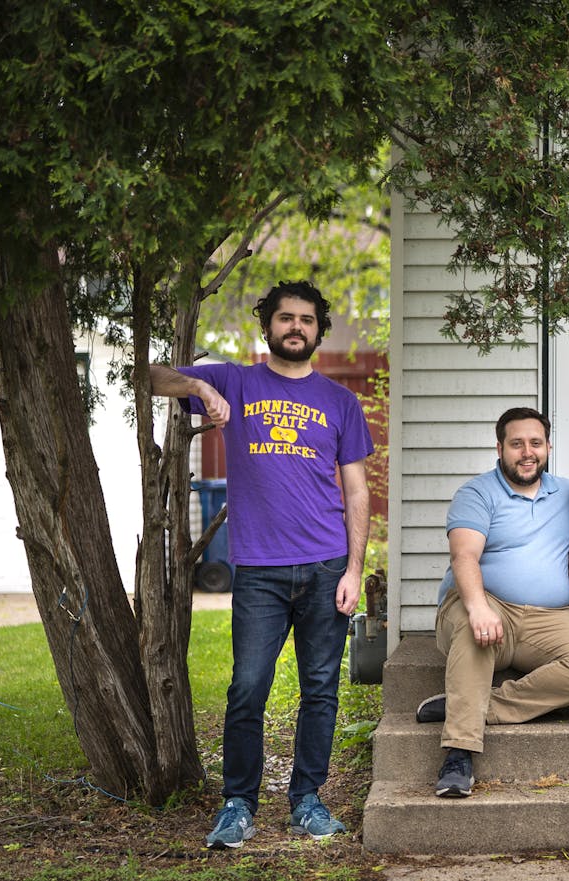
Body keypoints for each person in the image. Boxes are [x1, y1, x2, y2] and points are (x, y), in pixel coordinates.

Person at [149, 281, 374, 849]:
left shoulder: (340, 401)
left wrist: (353, 570)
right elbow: (149, 377)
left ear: (319, 329)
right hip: (259, 571)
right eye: (284, 318)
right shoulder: (237, 379)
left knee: (319, 689)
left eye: (306, 319)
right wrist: (200, 382)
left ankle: (307, 800)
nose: (295, 327)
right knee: (248, 687)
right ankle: (237, 803)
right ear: (267, 325)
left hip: (326, 567)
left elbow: (356, 492)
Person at [415, 407, 569, 798]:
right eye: (517, 444)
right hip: (484, 604)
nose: (527, 452)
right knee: (475, 637)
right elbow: (464, 557)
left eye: (535, 443)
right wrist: (477, 607)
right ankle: (459, 755)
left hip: (548, 618)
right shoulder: (477, 493)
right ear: (500, 448)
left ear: (548, 447)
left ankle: (474, 704)